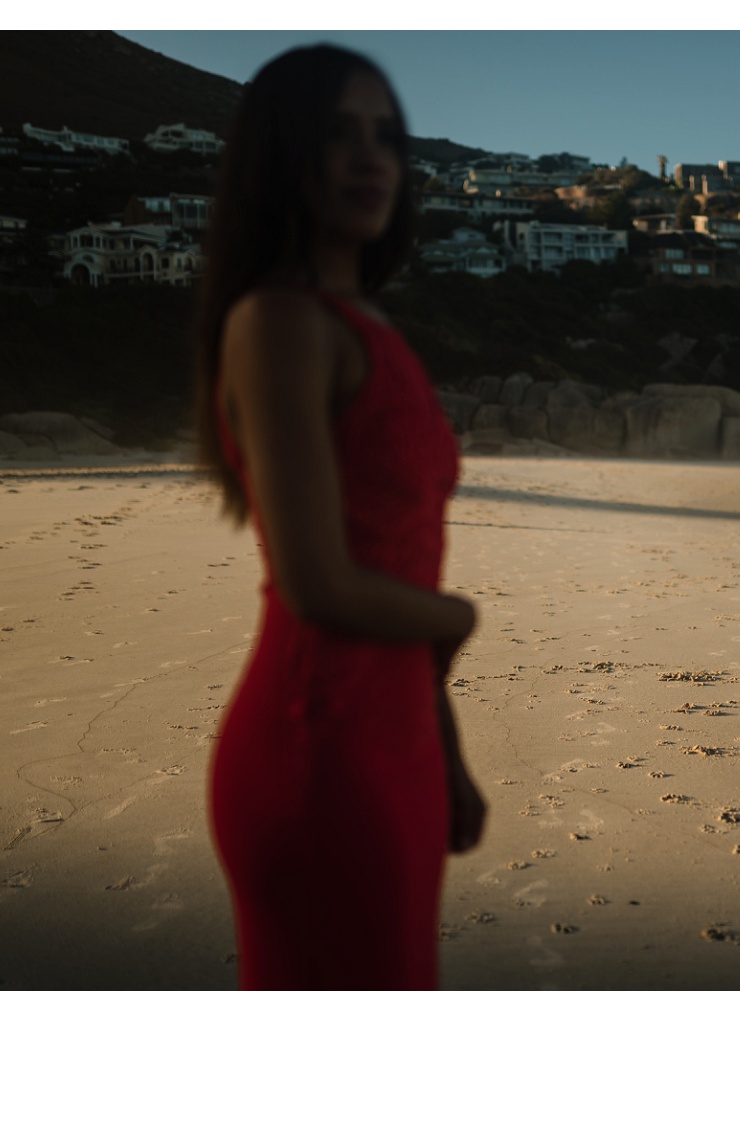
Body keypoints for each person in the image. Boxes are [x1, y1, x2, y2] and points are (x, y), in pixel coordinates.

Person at [193, 44, 486, 989]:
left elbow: (394, 558)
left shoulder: (371, 325)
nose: (370, 159)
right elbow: (321, 584)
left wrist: (447, 752)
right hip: (319, 744)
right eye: (336, 134)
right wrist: (459, 617)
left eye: (386, 137)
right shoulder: (276, 323)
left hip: (393, 734)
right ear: (282, 154)